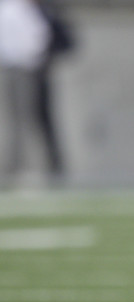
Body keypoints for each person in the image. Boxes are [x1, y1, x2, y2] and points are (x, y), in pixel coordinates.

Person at [0, 0, 74, 183]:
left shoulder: (37, 9)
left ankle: (50, 166)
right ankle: (18, 167)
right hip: (21, 68)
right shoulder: (11, 9)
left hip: (36, 69)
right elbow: (20, 42)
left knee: (41, 118)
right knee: (21, 118)